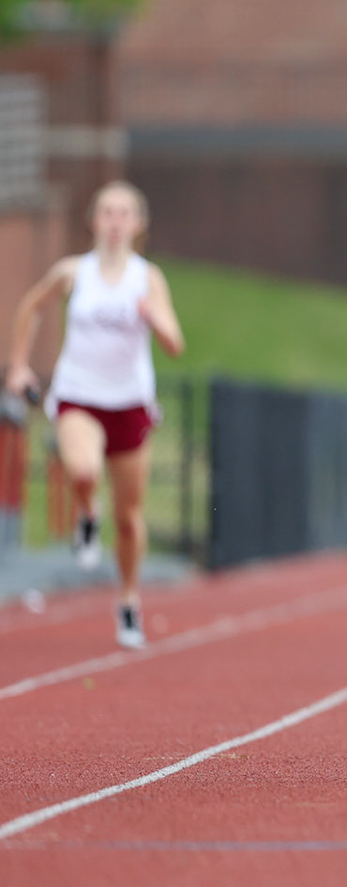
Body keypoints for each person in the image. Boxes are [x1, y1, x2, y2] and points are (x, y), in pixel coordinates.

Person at [6, 181, 186, 649]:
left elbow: (175, 343)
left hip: (129, 402)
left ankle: (128, 600)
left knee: (128, 518)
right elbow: (31, 306)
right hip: (79, 395)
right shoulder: (74, 272)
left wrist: (154, 319)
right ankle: (88, 512)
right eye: (107, 212)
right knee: (83, 472)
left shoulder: (148, 278)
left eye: (124, 213)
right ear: (93, 221)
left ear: (138, 224)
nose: (114, 221)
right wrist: (20, 364)